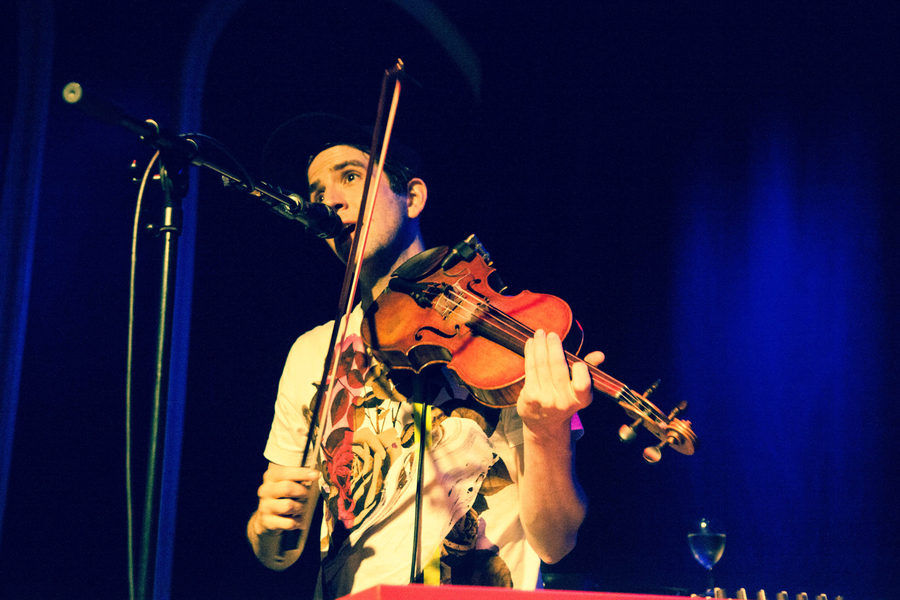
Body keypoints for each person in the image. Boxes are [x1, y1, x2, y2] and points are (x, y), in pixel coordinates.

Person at [246, 113, 604, 599]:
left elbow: (556, 542)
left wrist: (547, 433)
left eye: (350, 176)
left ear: (412, 196)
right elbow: (279, 550)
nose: (329, 200)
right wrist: (266, 531)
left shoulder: (495, 331)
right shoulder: (312, 352)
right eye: (315, 192)